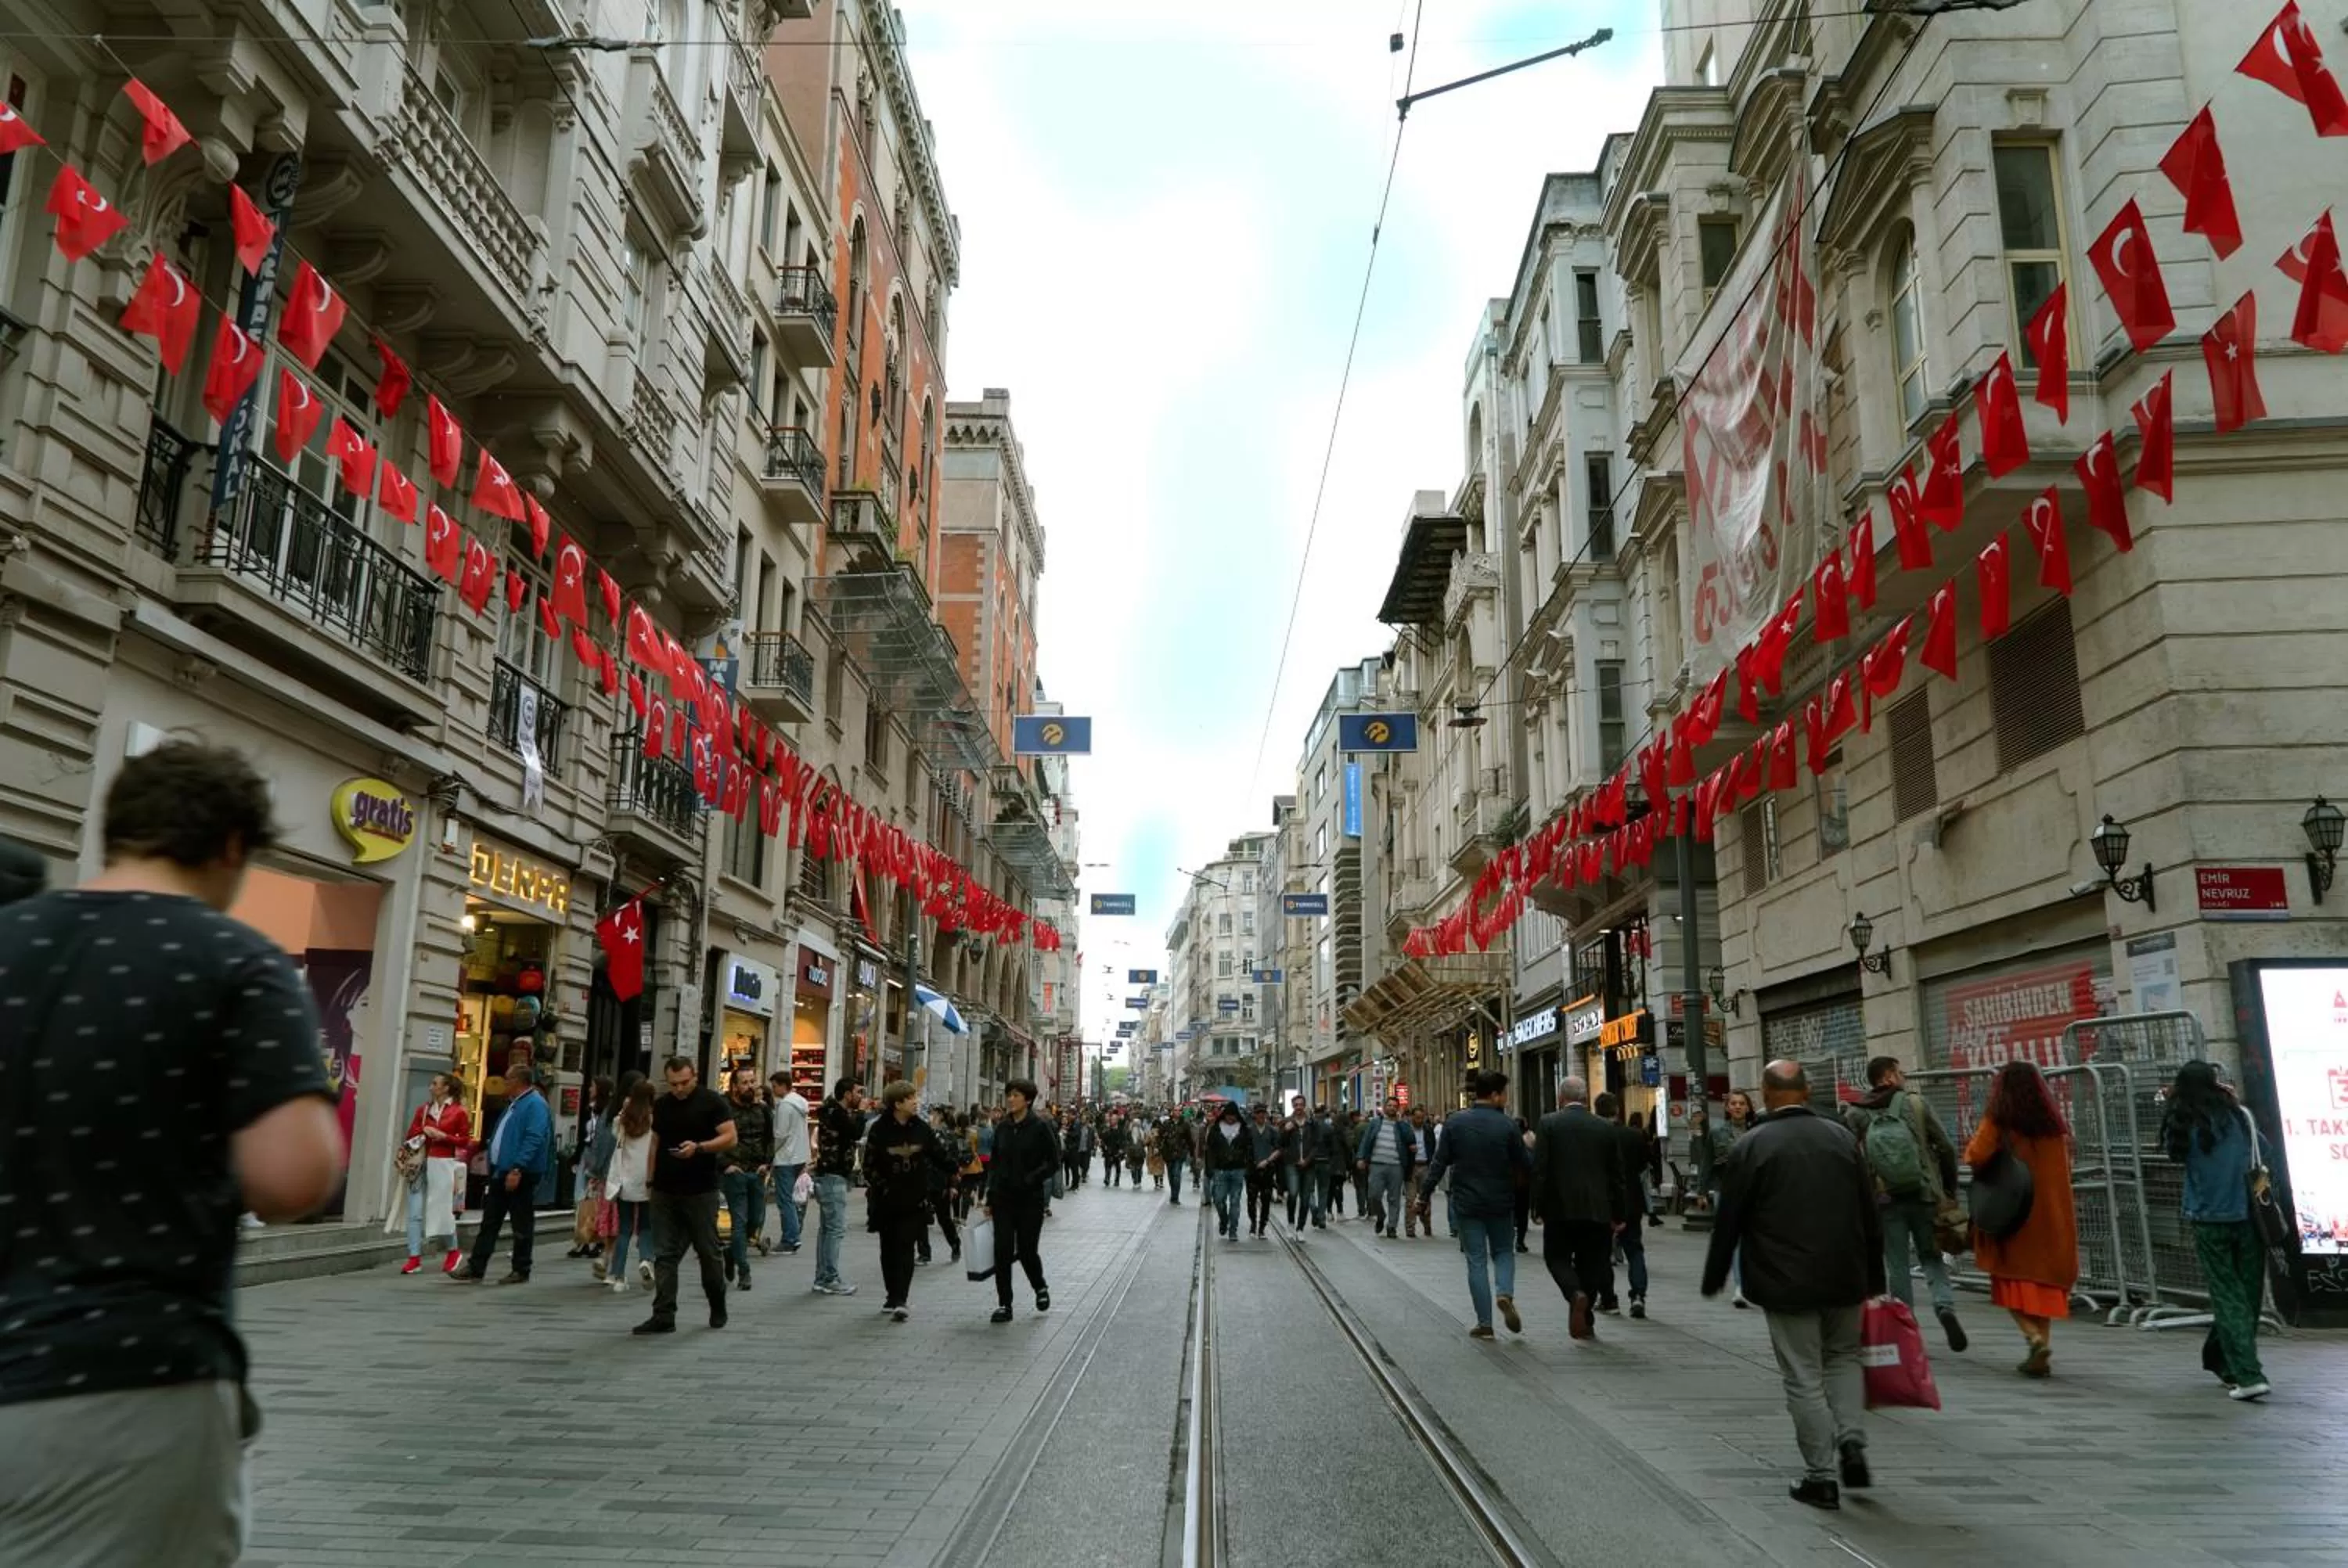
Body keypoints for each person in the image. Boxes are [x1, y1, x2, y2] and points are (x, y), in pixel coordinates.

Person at [0, 743, 342, 1568]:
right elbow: (292, 1178)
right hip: (128, 1378)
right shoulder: (234, 960)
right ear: (231, 847)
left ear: (116, 831)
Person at [1702, 1060, 1885, 1512]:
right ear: (1805, 1092)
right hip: (1845, 1275)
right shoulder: (1842, 1138)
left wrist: (1715, 1274)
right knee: (1843, 1359)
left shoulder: (1753, 1145)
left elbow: (1731, 1220)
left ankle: (1821, 1478)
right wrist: (1874, 1277)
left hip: (1785, 1280)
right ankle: (1853, 1442)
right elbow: (1869, 1212)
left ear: (1766, 1094)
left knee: (1803, 1376)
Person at [2161, 1061, 2271, 1401]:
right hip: (2249, 1216)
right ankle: (2239, 1367)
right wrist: (2235, 1103)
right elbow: (2262, 1151)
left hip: (2207, 1218)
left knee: (2228, 1296)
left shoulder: (2182, 1122)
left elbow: (2174, 1155)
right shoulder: (2239, 1117)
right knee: (2247, 1296)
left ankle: (2239, 1368)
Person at [1842, 1056, 1968, 1352]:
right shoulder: (1917, 1104)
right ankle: (1944, 1306)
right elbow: (1947, 1148)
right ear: (1887, 1077)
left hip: (1886, 1200)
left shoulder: (1858, 1112)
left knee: (1897, 1264)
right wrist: (1948, 1189)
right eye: (1900, 1072)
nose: (1904, 1076)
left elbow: (1846, 1154)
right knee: (1931, 1256)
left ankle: (1907, 1330)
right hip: (1925, 1194)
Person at [1965, 1059, 2078, 1378]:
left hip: (2013, 1213)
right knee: (2041, 1283)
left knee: (2010, 1278)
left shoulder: (2000, 1120)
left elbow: (1975, 1154)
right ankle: (2041, 1345)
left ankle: (2033, 1337)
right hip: (2050, 1216)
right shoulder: (2053, 1126)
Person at [1417, 1071, 1532, 1339]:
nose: (1506, 1098)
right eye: (1504, 1093)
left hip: (1467, 1202)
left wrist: (1424, 1195)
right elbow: (1524, 1166)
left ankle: (1485, 1324)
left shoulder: (1455, 1123)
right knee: (1504, 1251)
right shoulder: (1507, 1126)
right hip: (1501, 1201)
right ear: (1494, 1095)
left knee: (1476, 1261)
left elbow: (1439, 1163)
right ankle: (1504, 1292)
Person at [632, 1056, 738, 1335]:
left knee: (708, 1252)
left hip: (701, 1190)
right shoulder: (663, 1105)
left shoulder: (712, 1102)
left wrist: (700, 1147)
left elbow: (730, 1137)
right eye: (673, 1083)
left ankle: (717, 1304)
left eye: (684, 1082)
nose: (679, 1088)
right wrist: (650, 1179)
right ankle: (663, 1314)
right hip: (665, 1190)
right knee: (665, 1254)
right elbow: (655, 1144)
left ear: (695, 1076)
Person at [1531, 1077, 1631, 1339]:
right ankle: (1585, 1319)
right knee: (1592, 1263)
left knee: (1556, 1258)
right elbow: (1617, 1175)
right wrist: (1619, 1213)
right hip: (1598, 1209)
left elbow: (1541, 1170)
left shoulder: (1549, 1123)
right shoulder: (1605, 1127)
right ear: (1586, 1099)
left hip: (1559, 1208)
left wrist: (1537, 1206)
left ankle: (1575, 1294)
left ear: (1560, 1097)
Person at [864, 1084, 958, 1321]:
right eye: (910, 1098)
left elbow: (938, 1155)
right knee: (888, 1248)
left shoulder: (921, 1128)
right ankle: (891, 1294)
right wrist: (883, 1187)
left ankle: (901, 1299)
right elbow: (869, 1165)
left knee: (906, 1247)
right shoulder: (880, 1129)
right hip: (886, 1200)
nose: (916, 1102)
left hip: (914, 1199)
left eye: (916, 1097)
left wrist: (955, 1170)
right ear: (897, 1104)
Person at [456, 1063, 553, 1285]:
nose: (505, 1083)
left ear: (519, 1081)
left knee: (521, 1221)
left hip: (520, 1172)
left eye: (508, 1079)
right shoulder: (515, 1104)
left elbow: (534, 1138)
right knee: (490, 1220)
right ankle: (476, 1266)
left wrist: (518, 1167)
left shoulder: (535, 1105)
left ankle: (521, 1268)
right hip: (502, 1170)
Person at [985, 1079, 1060, 1322]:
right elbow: (995, 1165)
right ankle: (1005, 1304)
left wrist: (1032, 1178)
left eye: (1015, 1095)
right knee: (1002, 1252)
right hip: (1004, 1199)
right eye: (1008, 1095)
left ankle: (1040, 1287)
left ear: (1027, 1099)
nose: (1010, 1099)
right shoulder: (1003, 1128)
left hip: (1030, 1199)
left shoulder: (1040, 1126)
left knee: (1027, 1251)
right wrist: (990, 1198)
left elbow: (1054, 1161)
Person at [395, 1072, 472, 1275]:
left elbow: (465, 1140)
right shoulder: (424, 1110)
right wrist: (423, 1133)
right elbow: (411, 1134)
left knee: (441, 1208)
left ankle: (453, 1250)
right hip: (420, 1162)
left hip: (442, 1162)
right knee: (415, 1211)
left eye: (435, 1083)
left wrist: (443, 1136)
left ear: (446, 1088)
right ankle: (414, 1257)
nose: (431, 1087)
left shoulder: (458, 1112)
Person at [715, 1066, 773, 1291]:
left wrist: (766, 1163)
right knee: (739, 1223)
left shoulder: (763, 1110)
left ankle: (731, 1252)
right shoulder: (724, 1109)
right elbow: (715, 1137)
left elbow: (769, 1138)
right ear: (735, 1086)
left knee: (755, 1221)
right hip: (735, 1173)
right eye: (745, 1082)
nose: (750, 1086)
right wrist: (725, 1165)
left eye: (752, 1082)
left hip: (757, 1172)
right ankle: (744, 1271)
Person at [1594, 1093, 1651, 1318]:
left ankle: (1607, 1297)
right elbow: (1644, 1164)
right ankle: (1638, 1295)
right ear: (1617, 1109)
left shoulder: (1594, 1136)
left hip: (1601, 1201)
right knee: (1634, 1249)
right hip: (1631, 1200)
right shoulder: (1634, 1135)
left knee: (1601, 1252)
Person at [810, 1077, 865, 1297]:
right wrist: (861, 1113)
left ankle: (822, 1277)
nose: (860, 1097)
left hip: (829, 1175)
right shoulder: (838, 1114)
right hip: (833, 1176)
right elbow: (856, 1133)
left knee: (827, 1229)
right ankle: (829, 1278)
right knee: (835, 1228)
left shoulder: (831, 1112)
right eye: (857, 1092)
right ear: (847, 1094)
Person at [603, 1078, 657, 1292]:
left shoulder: (623, 1121)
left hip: (624, 1181)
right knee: (646, 1226)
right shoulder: (654, 1121)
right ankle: (645, 1259)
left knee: (624, 1229)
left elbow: (615, 1136)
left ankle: (617, 1276)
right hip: (647, 1180)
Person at [567, 1075, 614, 1260]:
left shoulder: (608, 1113)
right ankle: (583, 1239)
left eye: (593, 1086)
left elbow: (604, 1140)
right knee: (581, 1198)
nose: (589, 1089)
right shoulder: (589, 1110)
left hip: (599, 1158)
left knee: (597, 1199)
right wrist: (576, 1158)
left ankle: (598, 1240)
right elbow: (583, 1136)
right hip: (586, 1154)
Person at [1355, 1097, 1410, 1239]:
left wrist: (1402, 1124)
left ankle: (1392, 1226)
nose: (1392, 1108)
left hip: (1396, 1166)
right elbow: (1366, 1141)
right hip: (1376, 1165)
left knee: (1394, 1198)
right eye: (1389, 1105)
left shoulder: (1402, 1125)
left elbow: (1410, 1140)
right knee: (1373, 1195)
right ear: (1385, 1107)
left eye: (1394, 1106)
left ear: (1397, 1109)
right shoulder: (1375, 1124)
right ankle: (1381, 1215)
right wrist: (1361, 1158)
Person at [769, 1070, 811, 1254]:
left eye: (775, 1086)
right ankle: (794, 1234)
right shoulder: (801, 1103)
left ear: (783, 1085)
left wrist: (770, 1153)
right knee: (793, 1199)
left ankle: (790, 1238)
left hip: (785, 1157)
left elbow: (781, 1134)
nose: (773, 1090)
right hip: (799, 1156)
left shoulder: (785, 1106)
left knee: (785, 1200)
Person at [916, 1106, 963, 1266]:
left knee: (944, 1219)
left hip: (941, 1182)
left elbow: (954, 1163)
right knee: (920, 1216)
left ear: (940, 1116)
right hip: (923, 1181)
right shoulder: (926, 1133)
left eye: (933, 1114)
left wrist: (953, 1185)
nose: (930, 1116)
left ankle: (955, 1243)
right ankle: (924, 1253)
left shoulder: (949, 1137)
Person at [1205, 1102, 1251, 1240]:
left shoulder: (1243, 1129)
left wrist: (1247, 1165)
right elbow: (1210, 1150)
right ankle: (1224, 1219)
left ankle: (1233, 1230)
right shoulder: (1216, 1129)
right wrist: (1209, 1168)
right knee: (1219, 1199)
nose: (1231, 1118)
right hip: (1220, 1170)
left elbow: (1249, 1149)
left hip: (1238, 1169)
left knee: (1235, 1201)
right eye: (1229, 1115)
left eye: (1233, 1116)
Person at [1244, 1102, 1284, 1237]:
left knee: (1266, 1199)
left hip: (1267, 1170)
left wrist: (1268, 1161)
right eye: (1258, 1113)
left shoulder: (1273, 1131)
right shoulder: (1248, 1131)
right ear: (1254, 1115)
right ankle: (1253, 1223)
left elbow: (1279, 1149)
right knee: (1251, 1199)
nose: (1261, 1115)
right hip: (1252, 1171)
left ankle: (1262, 1227)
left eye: (1263, 1113)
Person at [1511, 1116, 1535, 1254]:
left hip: (1509, 1185)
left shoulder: (1507, 1142)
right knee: (1522, 1214)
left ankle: (1513, 1240)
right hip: (1523, 1185)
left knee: (1509, 1213)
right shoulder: (1528, 1143)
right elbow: (1531, 1164)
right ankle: (1520, 1241)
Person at [1164, 1110, 1193, 1205]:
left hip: (1179, 1154)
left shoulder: (1185, 1125)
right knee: (1171, 1176)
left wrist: (1191, 1153)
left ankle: (1175, 1197)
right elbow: (1161, 1137)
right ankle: (1173, 1192)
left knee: (1176, 1175)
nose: (1177, 1112)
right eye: (1175, 1110)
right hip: (1168, 1154)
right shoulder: (1167, 1124)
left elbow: (1189, 1139)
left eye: (1179, 1111)